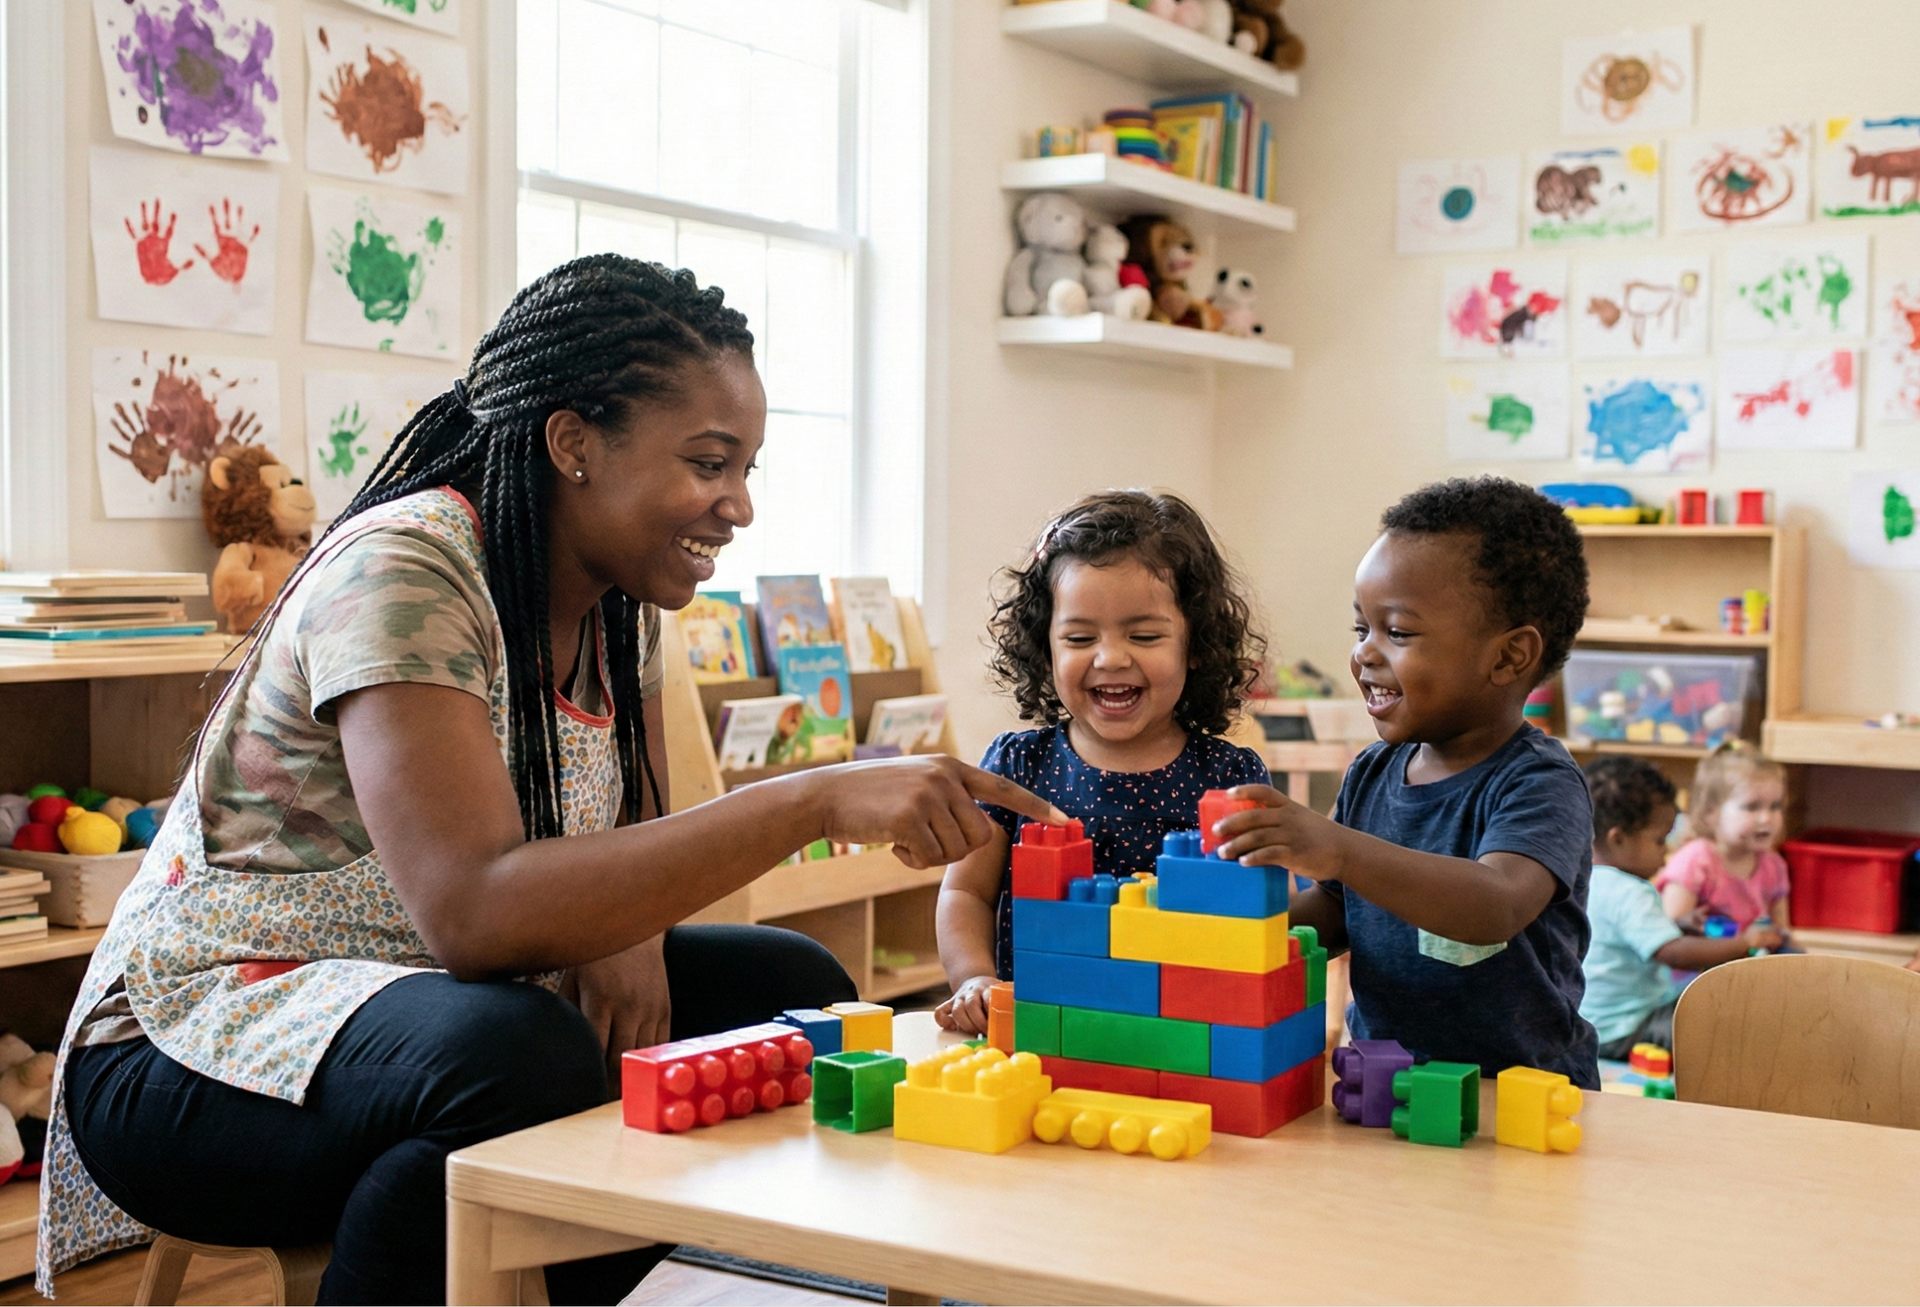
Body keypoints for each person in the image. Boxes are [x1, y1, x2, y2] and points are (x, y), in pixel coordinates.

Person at [40, 256, 1060, 1305]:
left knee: (790, 993)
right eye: (710, 462)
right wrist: (815, 797)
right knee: (520, 1053)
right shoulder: (406, 570)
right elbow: (473, 913)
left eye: (747, 467)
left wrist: (627, 929)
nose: (738, 504)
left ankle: (562, 1278)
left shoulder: (625, 608)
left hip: (438, 1017)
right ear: (573, 442)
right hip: (196, 1044)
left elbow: (632, 842)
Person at [1213, 477, 1601, 1087]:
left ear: (1508, 657)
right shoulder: (1373, 772)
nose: (1366, 653)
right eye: (1361, 628)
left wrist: (1336, 848)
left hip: (1518, 1095)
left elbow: (1496, 903)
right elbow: (1341, 909)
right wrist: (1240, 935)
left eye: (1397, 632)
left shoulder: (1538, 781)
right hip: (1383, 1085)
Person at [932, 491, 1270, 1035]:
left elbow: (1266, 912)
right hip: (1043, 1029)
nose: (1110, 657)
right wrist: (973, 977)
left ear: (1197, 644)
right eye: (1080, 637)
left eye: (1144, 635)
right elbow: (966, 891)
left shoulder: (1228, 777)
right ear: (1046, 647)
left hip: (1176, 1032)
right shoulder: (1018, 765)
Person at [1579, 756, 1783, 1061]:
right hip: (1629, 1026)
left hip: (1588, 1024)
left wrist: (1678, 924)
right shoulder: (1629, 891)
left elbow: (1624, 937)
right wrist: (1745, 942)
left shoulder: (1584, 881)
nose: (1667, 851)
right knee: (1716, 1014)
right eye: (1659, 841)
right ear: (1618, 839)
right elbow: (1674, 954)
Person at [1655, 742, 1792, 938]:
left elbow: (1781, 932)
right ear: (1712, 812)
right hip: (1699, 967)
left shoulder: (1773, 865)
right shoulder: (1695, 861)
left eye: (1775, 806)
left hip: (1750, 965)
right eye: (1752, 807)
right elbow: (1670, 935)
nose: (1766, 818)